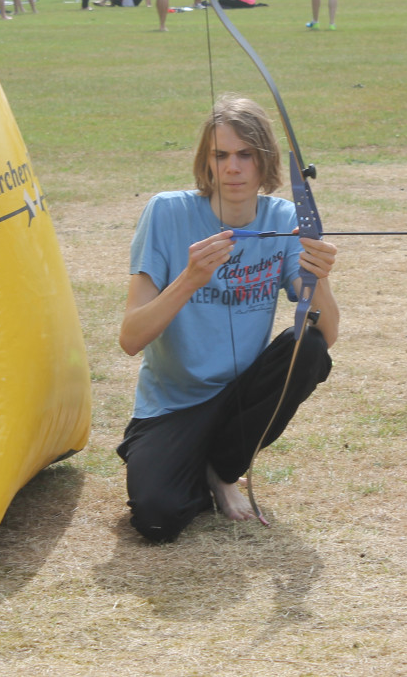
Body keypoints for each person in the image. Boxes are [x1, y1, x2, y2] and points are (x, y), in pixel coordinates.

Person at [116, 95, 339, 543]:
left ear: (265, 162)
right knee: (157, 519)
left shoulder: (284, 219)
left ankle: (221, 468)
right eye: (220, 155)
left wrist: (322, 278)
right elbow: (130, 338)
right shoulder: (166, 212)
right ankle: (191, 463)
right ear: (206, 160)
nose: (232, 168)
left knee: (307, 346)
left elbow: (325, 337)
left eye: (245, 155)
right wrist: (190, 279)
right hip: (172, 406)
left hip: (242, 398)